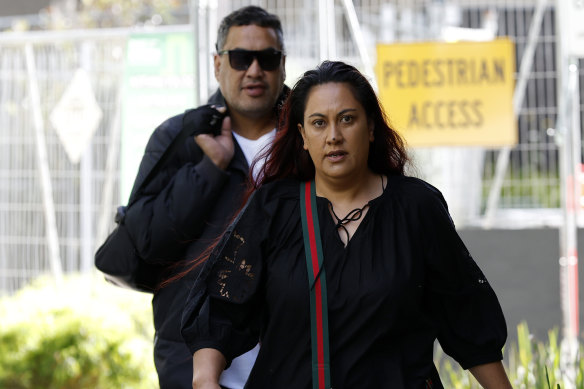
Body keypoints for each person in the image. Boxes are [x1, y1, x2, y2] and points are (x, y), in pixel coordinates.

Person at [180, 61, 512, 388]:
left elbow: (466, 315)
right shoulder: (274, 208)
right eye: (319, 123)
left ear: (370, 128)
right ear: (303, 136)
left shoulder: (416, 207)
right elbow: (221, 308)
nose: (334, 136)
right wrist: (204, 379)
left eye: (347, 119)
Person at [121, 6, 288, 389]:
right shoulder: (179, 136)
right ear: (217, 64)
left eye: (267, 58)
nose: (254, 70)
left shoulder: (307, 140)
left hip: (290, 362)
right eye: (241, 58)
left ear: (282, 65)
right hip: (192, 366)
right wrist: (208, 169)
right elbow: (146, 240)